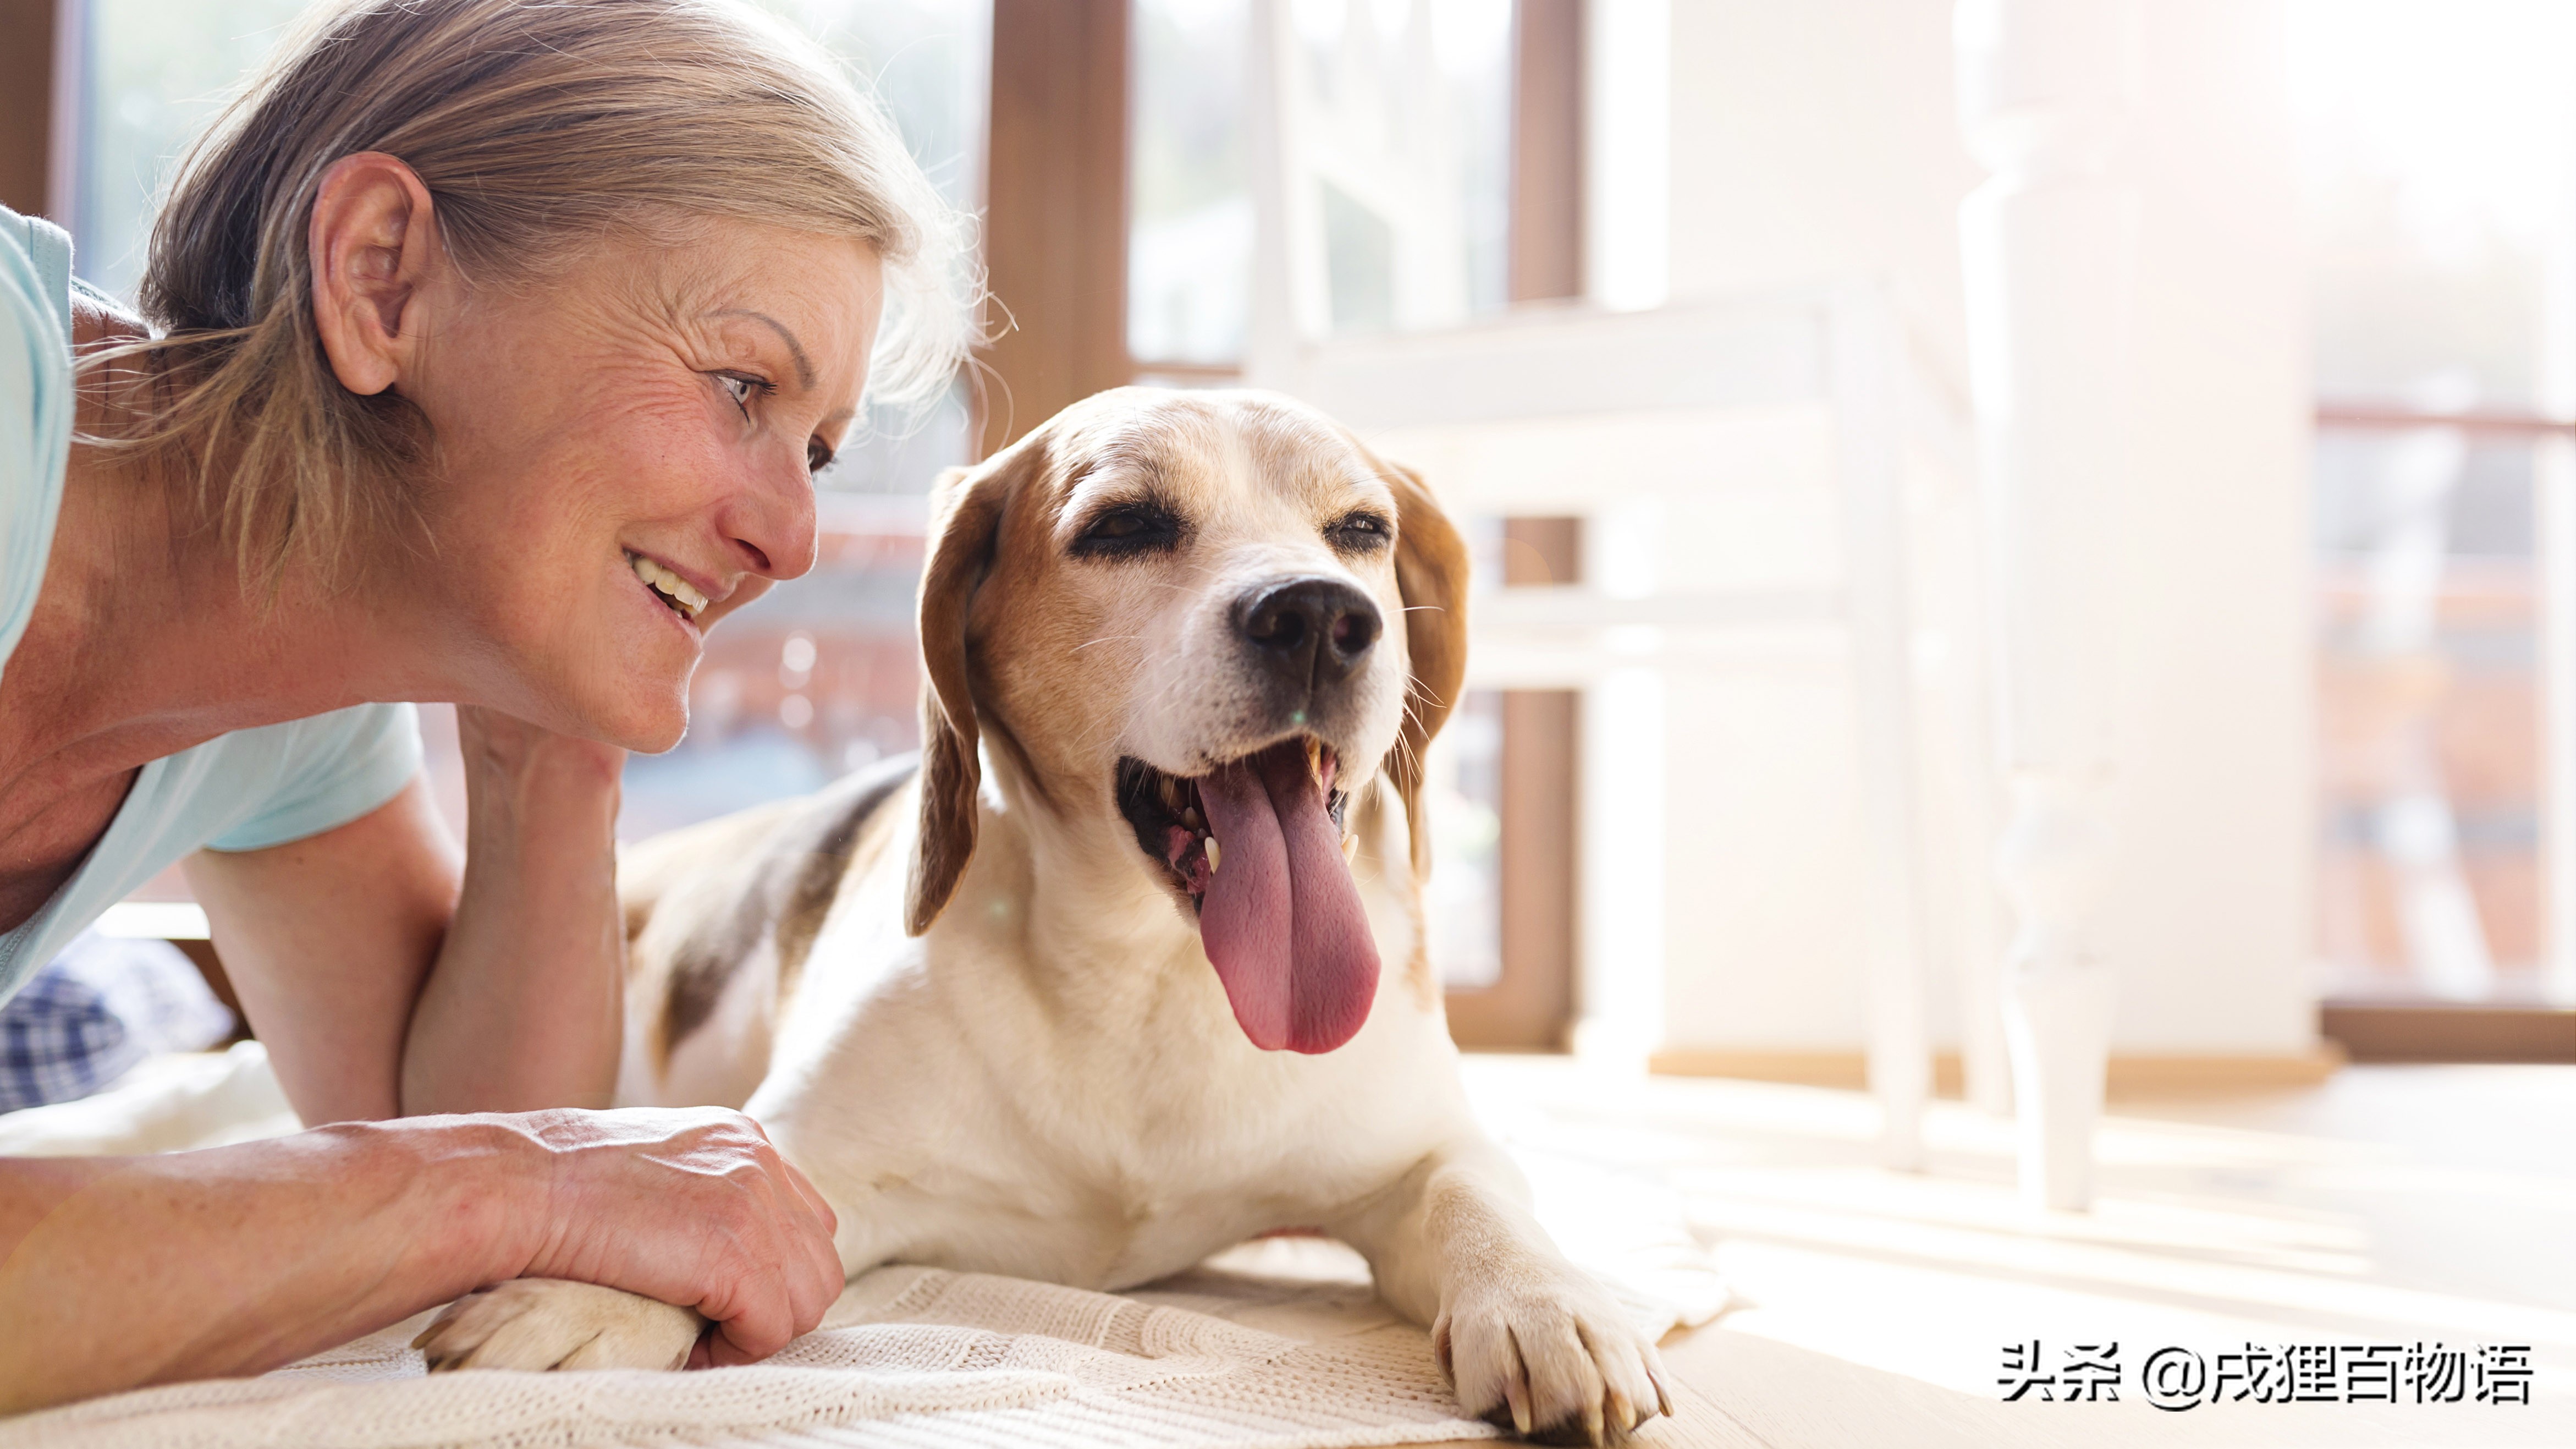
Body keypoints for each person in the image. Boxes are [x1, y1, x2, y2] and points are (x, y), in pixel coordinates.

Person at [0, 0, 967, 1413]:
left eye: (813, 450)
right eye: (738, 385)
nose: (797, 536)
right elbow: (487, 1169)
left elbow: (442, 1133)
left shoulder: (289, 676)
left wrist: (559, 738)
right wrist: (506, 1191)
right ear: (384, 278)